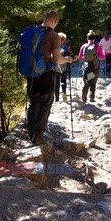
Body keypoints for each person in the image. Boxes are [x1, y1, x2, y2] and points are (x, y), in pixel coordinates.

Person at [26, 10, 73, 145]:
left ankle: (31, 133)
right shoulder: (53, 35)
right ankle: (38, 135)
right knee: (45, 103)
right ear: (56, 21)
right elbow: (58, 59)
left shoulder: (31, 31)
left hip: (31, 74)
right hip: (46, 73)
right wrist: (68, 60)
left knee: (34, 102)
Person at [78, 30, 105, 103]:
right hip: (95, 67)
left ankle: (84, 98)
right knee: (93, 82)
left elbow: (79, 58)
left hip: (86, 67)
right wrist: (104, 52)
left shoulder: (83, 46)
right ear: (94, 39)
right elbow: (103, 57)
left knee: (86, 82)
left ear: (87, 39)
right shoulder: (97, 47)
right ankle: (92, 97)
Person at [54, 32, 71, 102]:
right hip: (64, 66)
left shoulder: (54, 46)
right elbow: (68, 56)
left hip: (56, 67)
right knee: (63, 80)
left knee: (56, 83)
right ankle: (64, 92)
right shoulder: (66, 47)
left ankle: (57, 98)